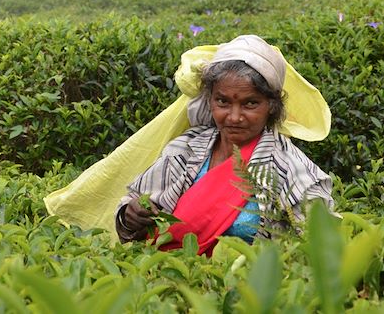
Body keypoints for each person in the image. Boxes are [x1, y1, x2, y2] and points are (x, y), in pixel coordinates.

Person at [114, 35, 334, 254]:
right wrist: (131, 215)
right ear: (210, 101)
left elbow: (321, 245)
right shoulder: (185, 149)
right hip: (165, 276)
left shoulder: (289, 168)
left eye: (250, 103)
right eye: (223, 101)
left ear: (272, 106)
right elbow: (131, 217)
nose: (234, 117)